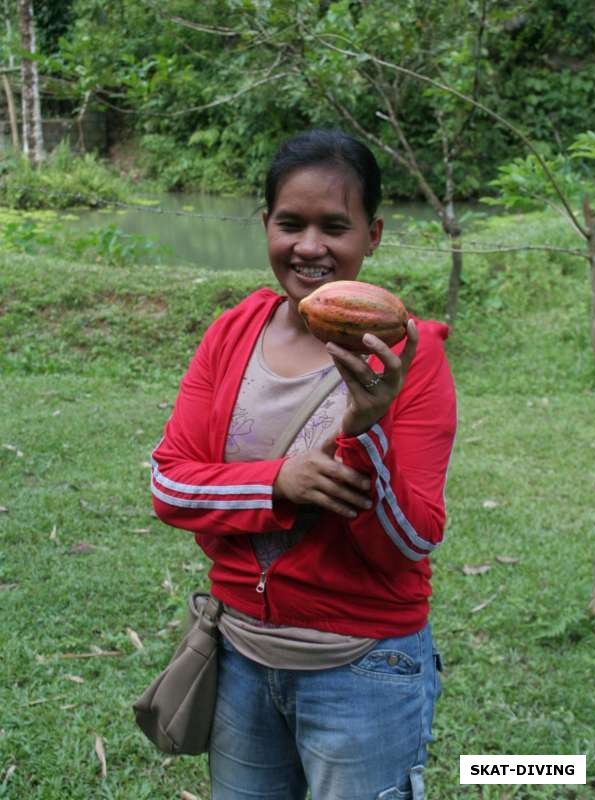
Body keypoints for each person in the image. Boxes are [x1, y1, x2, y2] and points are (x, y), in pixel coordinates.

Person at [150, 129, 457, 800]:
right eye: (291, 223)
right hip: (240, 661)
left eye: (335, 226)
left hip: (365, 670)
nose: (310, 246)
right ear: (266, 225)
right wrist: (278, 482)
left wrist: (367, 429)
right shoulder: (230, 334)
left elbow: (413, 539)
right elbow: (170, 483)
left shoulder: (412, 357)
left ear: (372, 234)